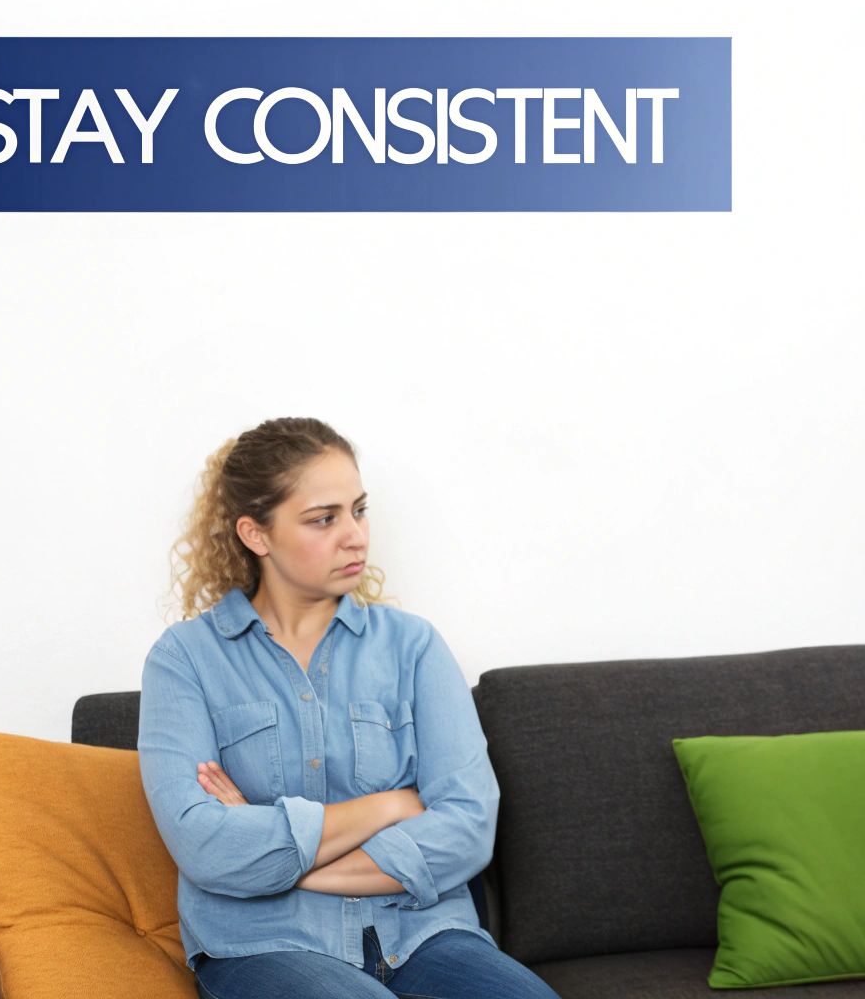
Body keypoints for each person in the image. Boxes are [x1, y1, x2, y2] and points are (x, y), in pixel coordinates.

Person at [138, 416, 560, 999]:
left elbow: (467, 825)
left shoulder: (413, 646)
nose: (355, 536)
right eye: (323, 519)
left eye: (359, 511)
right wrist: (391, 805)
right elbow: (206, 845)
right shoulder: (184, 659)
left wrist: (282, 863)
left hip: (421, 933)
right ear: (256, 535)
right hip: (264, 945)